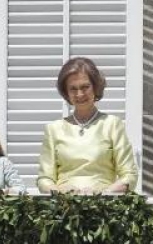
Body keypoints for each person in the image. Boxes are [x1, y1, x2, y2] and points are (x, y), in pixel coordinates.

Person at [37, 57, 138, 194]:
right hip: (62, 208)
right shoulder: (53, 129)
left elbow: (129, 176)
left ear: (96, 87)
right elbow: (44, 179)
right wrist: (62, 194)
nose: (79, 94)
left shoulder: (112, 124)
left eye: (85, 87)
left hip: (104, 208)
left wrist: (102, 194)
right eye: (73, 89)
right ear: (66, 92)